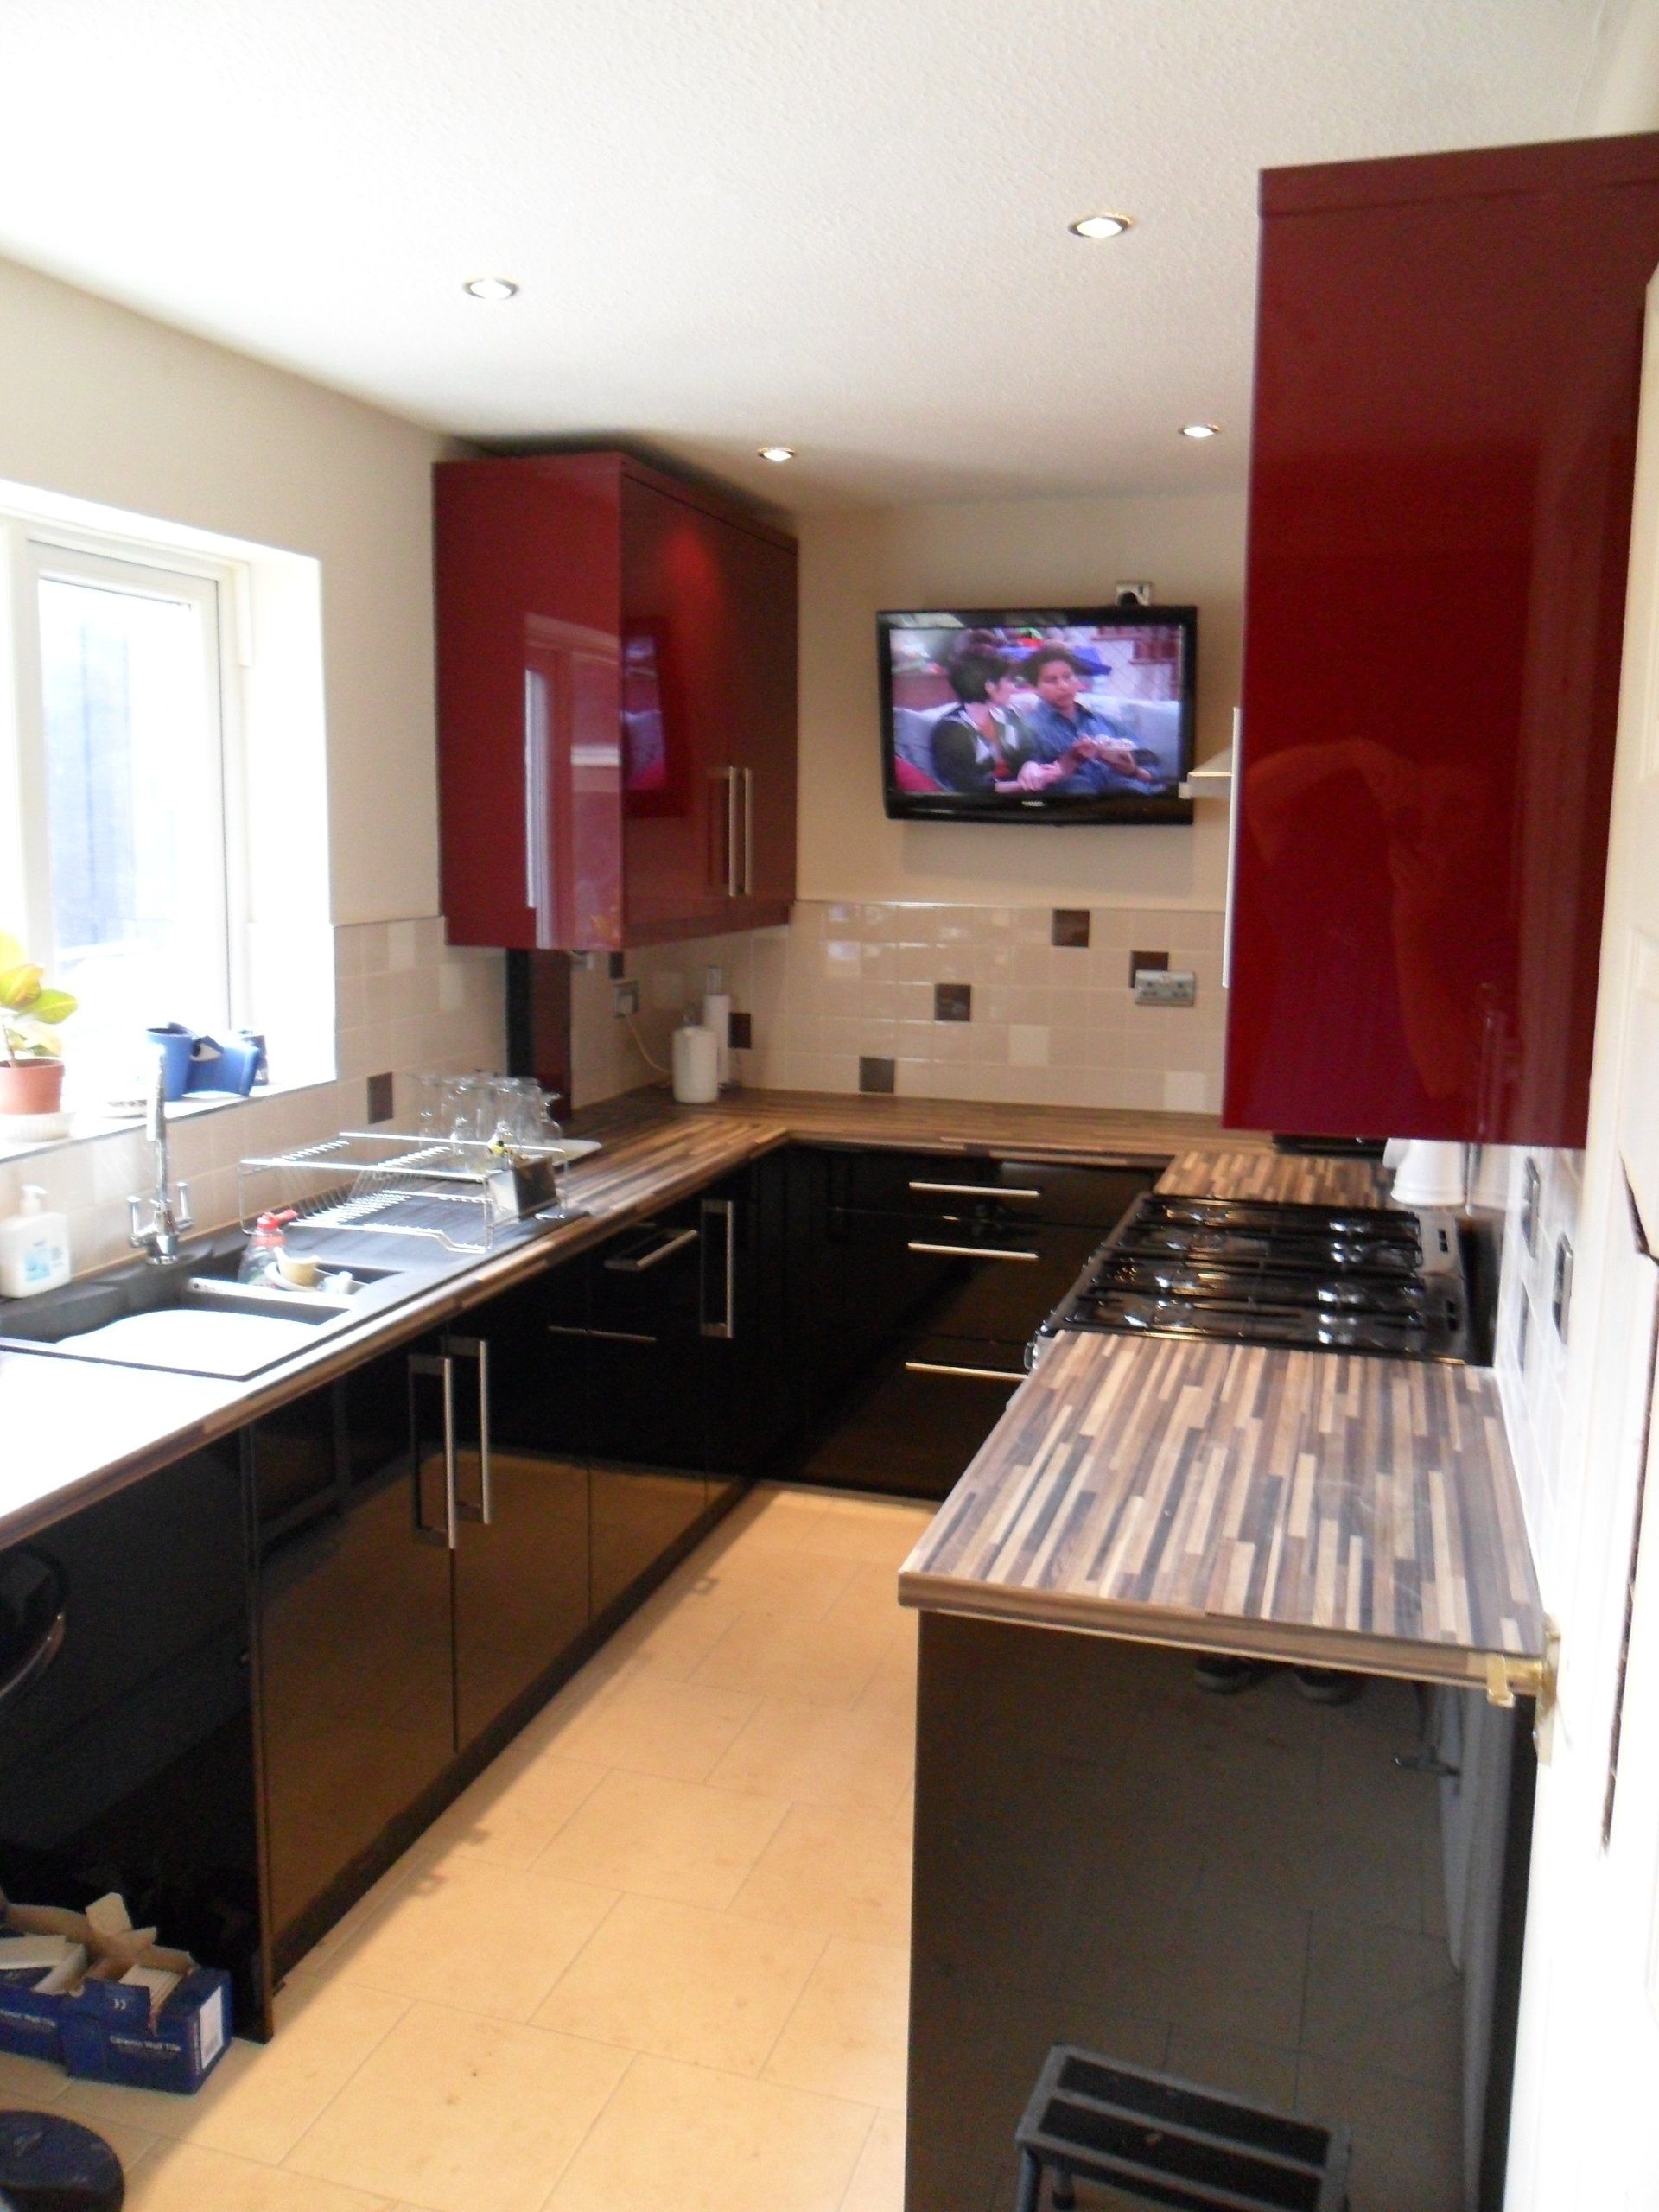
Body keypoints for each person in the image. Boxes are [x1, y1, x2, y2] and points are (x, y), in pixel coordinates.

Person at [928, 634, 1065, 797]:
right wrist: (1023, 786)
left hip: (1025, 797)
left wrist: (1031, 767)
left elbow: (1031, 751)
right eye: (1009, 681)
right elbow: (968, 787)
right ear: (990, 686)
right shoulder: (949, 731)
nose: (1014, 689)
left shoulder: (1009, 715)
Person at [1018, 645, 1158, 794]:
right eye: (1051, 680)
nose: (1063, 686)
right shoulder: (1027, 728)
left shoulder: (1106, 721)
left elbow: (1153, 774)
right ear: (1034, 688)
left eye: (1068, 677)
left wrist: (1133, 771)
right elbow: (1027, 777)